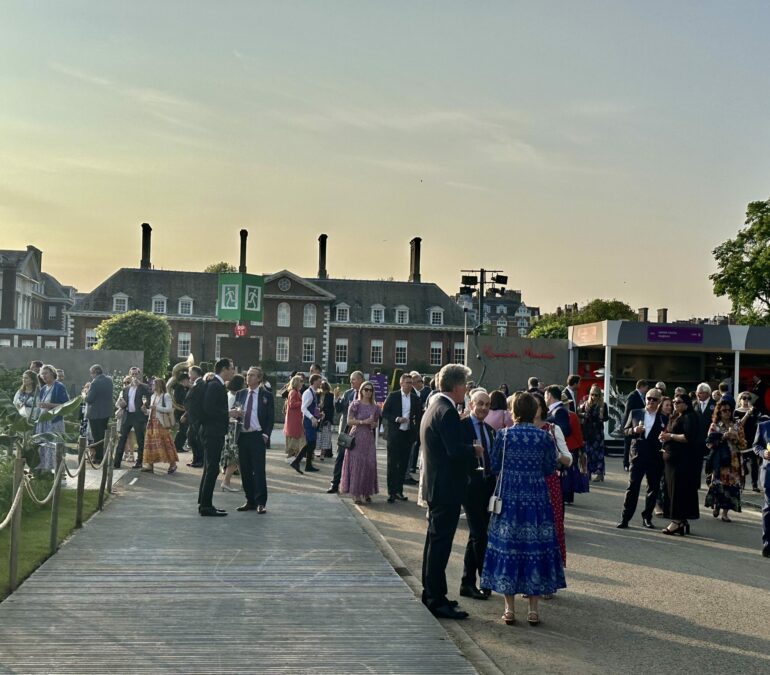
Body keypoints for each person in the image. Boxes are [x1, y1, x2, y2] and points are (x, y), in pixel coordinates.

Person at [481, 391, 566, 627]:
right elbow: (550, 468)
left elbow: (495, 465)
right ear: (534, 411)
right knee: (534, 547)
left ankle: (509, 609)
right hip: (537, 497)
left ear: (514, 412)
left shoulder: (504, 436)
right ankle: (534, 609)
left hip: (509, 496)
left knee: (509, 546)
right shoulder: (544, 437)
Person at [421, 364, 481, 620]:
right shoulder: (446, 412)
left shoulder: (435, 407)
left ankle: (434, 593)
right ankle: (435, 599)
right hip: (446, 487)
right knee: (440, 545)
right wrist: (474, 450)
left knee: (434, 543)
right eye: (465, 385)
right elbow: (454, 450)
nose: (466, 390)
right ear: (457, 386)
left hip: (437, 485)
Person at [458, 390, 497, 601]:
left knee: (476, 535)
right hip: (470, 486)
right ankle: (486, 577)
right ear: (471, 404)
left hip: (487, 486)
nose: (483, 408)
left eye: (487, 404)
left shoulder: (490, 430)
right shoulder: (462, 427)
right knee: (480, 535)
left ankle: (467, 582)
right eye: (480, 403)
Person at [533, 393, 572, 568]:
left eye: (535, 405)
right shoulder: (517, 428)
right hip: (527, 484)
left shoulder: (552, 429)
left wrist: (555, 454)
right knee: (530, 532)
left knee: (552, 529)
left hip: (550, 483)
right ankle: (530, 580)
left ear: (542, 407)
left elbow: (568, 459)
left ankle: (549, 578)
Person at [617, 388, 665, 529]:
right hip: (638, 456)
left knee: (653, 489)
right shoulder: (635, 413)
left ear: (659, 402)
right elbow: (624, 431)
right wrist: (634, 430)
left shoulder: (663, 418)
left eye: (654, 399)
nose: (650, 401)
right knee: (632, 488)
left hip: (655, 458)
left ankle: (647, 517)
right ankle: (625, 518)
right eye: (648, 398)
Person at [198, 358, 237, 517]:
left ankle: (203, 502)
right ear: (224, 369)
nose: (233, 371)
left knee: (209, 468)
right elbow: (209, 409)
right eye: (232, 368)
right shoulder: (215, 385)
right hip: (212, 432)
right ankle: (206, 506)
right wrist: (229, 414)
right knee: (212, 468)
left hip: (210, 431)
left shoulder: (215, 384)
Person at [234, 366, 274, 514]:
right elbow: (234, 411)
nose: (248, 377)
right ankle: (249, 500)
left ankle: (261, 502)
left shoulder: (266, 395)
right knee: (244, 470)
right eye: (247, 374)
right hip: (243, 436)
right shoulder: (240, 394)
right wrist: (236, 414)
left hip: (257, 436)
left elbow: (270, 418)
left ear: (259, 378)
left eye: (252, 375)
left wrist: (265, 435)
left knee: (258, 470)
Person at [660, 395, 699, 535]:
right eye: (673, 402)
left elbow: (687, 437)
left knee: (678, 491)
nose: (675, 404)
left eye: (678, 402)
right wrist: (664, 436)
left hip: (682, 461)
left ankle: (677, 521)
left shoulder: (689, 417)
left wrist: (670, 436)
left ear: (686, 404)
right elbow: (670, 432)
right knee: (672, 490)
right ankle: (681, 520)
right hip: (671, 460)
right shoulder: (676, 416)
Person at [382, 373, 422, 503]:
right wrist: (396, 418)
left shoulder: (415, 398)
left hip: (407, 435)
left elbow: (419, 416)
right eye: (407, 383)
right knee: (392, 464)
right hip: (395, 434)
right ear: (401, 384)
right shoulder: (393, 396)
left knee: (403, 464)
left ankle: (399, 490)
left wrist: (415, 432)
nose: (409, 385)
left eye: (411, 383)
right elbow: (385, 412)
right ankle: (391, 492)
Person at [704, 399, 745, 522]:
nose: (727, 413)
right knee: (718, 485)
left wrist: (736, 438)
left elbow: (744, 444)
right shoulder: (715, 426)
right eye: (724, 411)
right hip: (719, 461)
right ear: (719, 412)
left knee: (731, 487)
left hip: (734, 462)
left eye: (729, 410)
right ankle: (717, 505)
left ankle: (725, 513)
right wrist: (723, 437)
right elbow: (709, 444)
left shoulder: (737, 425)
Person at [340, 381, 380, 504]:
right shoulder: (355, 404)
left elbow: (376, 422)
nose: (368, 392)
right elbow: (349, 421)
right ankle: (356, 494)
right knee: (357, 465)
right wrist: (363, 422)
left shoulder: (375, 407)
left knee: (369, 464)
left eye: (370, 390)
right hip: (356, 436)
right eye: (366, 389)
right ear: (361, 390)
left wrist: (373, 424)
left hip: (368, 438)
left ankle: (367, 492)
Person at [328, 371, 364, 493]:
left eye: (353, 379)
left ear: (360, 380)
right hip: (347, 431)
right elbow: (339, 409)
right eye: (350, 379)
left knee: (359, 460)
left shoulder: (367, 394)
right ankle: (334, 484)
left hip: (361, 432)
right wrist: (336, 398)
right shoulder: (348, 393)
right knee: (340, 456)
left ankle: (357, 486)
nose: (351, 382)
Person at [35, 365, 70, 474]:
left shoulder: (59, 386)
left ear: (52, 373)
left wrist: (48, 405)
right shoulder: (44, 388)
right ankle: (46, 471)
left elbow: (65, 404)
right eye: (42, 374)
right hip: (43, 422)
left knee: (55, 446)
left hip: (54, 421)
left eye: (46, 373)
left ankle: (60, 472)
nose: (43, 376)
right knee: (43, 445)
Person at [114, 369, 151, 469]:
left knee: (140, 439)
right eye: (132, 374)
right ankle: (116, 462)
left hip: (138, 416)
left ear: (139, 375)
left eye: (136, 374)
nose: (134, 376)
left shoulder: (144, 387)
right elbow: (123, 403)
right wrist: (122, 405)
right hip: (128, 415)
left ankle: (139, 461)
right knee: (122, 438)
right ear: (130, 375)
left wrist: (145, 406)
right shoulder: (126, 389)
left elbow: (149, 396)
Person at [142, 378, 179, 474]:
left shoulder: (166, 396)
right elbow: (152, 411)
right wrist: (146, 411)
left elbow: (168, 409)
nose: (152, 386)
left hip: (161, 423)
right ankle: (150, 464)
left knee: (164, 443)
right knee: (150, 444)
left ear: (158, 385)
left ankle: (173, 464)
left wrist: (156, 407)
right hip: (152, 422)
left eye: (154, 384)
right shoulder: (153, 396)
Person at [292, 373, 323, 474]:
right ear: (314, 381)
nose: (321, 382)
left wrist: (319, 415)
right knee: (310, 442)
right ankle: (297, 462)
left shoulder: (314, 392)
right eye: (319, 380)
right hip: (308, 421)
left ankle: (306, 464)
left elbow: (313, 407)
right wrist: (312, 418)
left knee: (311, 443)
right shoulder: (308, 393)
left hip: (312, 420)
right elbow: (303, 408)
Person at [220, 374, 246, 491]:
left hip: (231, 428)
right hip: (233, 428)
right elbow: (231, 412)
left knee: (238, 457)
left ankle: (245, 482)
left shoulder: (229, 395)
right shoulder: (232, 397)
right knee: (235, 456)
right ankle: (226, 481)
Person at [84, 364, 113, 463]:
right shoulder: (109, 380)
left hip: (95, 414)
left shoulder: (95, 383)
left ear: (95, 372)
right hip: (106, 413)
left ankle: (98, 458)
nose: (91, 375)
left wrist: (84, 394)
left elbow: (89, 399)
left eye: (91, 373)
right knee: (103, 436)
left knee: (97, 437)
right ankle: (103, 456)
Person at [405, 371, 431, 481]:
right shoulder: (410, 393)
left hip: (425, 422)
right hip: (415, 424)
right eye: (419, 382)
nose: (421, 384)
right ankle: (411, 467)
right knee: (415, 445)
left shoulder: (428, 391)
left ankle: (418, 465)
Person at [580, 386, 608, 482]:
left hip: (598, 433)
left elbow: (606, 417)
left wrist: (601, 417)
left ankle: (599, 473)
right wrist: (583, 414)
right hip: (588, 432)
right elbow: (580, 414)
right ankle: (588, 472)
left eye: (596, 395)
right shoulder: (586, 404)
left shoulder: (603, 405)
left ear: (599, 395)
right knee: (588, 453)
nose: (594, 397)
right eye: (592, 394)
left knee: (598, 454)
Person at [736, 391, 762, 493]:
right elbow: (739, 425)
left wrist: (754, 413)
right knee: (741, 464)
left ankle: (754, 484)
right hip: (742, 440)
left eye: (748, 398)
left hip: (753, 440)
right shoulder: (736, 411)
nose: (746, 400)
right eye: (744, 398)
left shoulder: (754, 410)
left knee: (754, 463)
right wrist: (747, 414)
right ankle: (741, 484)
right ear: (740, 400)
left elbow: (759, 423)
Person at [751, 418, 770, 557]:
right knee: (769, 506)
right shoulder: (764, 426)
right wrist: (763, 453)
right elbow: (756, 446)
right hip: (769, 472)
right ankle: (768, 544)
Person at [622, 380, 649, 471]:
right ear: (641, 386)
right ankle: (626, 464)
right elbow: (628, 411)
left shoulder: (642, 397)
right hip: (630, 424)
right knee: (628, 444)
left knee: (632, 445)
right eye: (646, 387)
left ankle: (632, 462)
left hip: (638, 426)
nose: (646, 390)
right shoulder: (633, 396)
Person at [183, 366, 205, 468]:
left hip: (197, 417)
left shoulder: (200, 384)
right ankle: (197, 458)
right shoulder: (196, 384)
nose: (188, 375)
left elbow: (198, 402)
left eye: (190, 373)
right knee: (191, 437)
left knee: (194, 438)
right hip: (193, 417)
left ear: (196, 373)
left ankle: (199, 460)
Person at [283, 375, 305, 462]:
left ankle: (295, 454)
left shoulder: (297, 392)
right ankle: (291, 455)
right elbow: (292, 404)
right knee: (293, 435)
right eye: (300, 382)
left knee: (297, 435)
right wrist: (302, 402)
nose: (302, 384)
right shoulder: (293, 392)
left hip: (296, 417)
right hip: (293, 418)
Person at [171, 372, 190, 456]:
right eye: (187, 380)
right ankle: (177, 446)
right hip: (180, 412)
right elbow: (181, 399)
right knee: (183, 430)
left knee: (183, 429)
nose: (188, 382)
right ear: (184, 380)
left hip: (181, 411)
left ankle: (178, 446)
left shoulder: (183, 388)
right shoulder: (179, 388)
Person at [317, 380, 335, 459]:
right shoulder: (317, 395)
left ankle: (322, 454)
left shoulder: (330, 396)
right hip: (318, 418)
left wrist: (327, 416)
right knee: (318, 436)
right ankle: (319, 452)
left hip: (326, 419)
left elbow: (331, 408)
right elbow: (315, 406)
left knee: (325, 436)